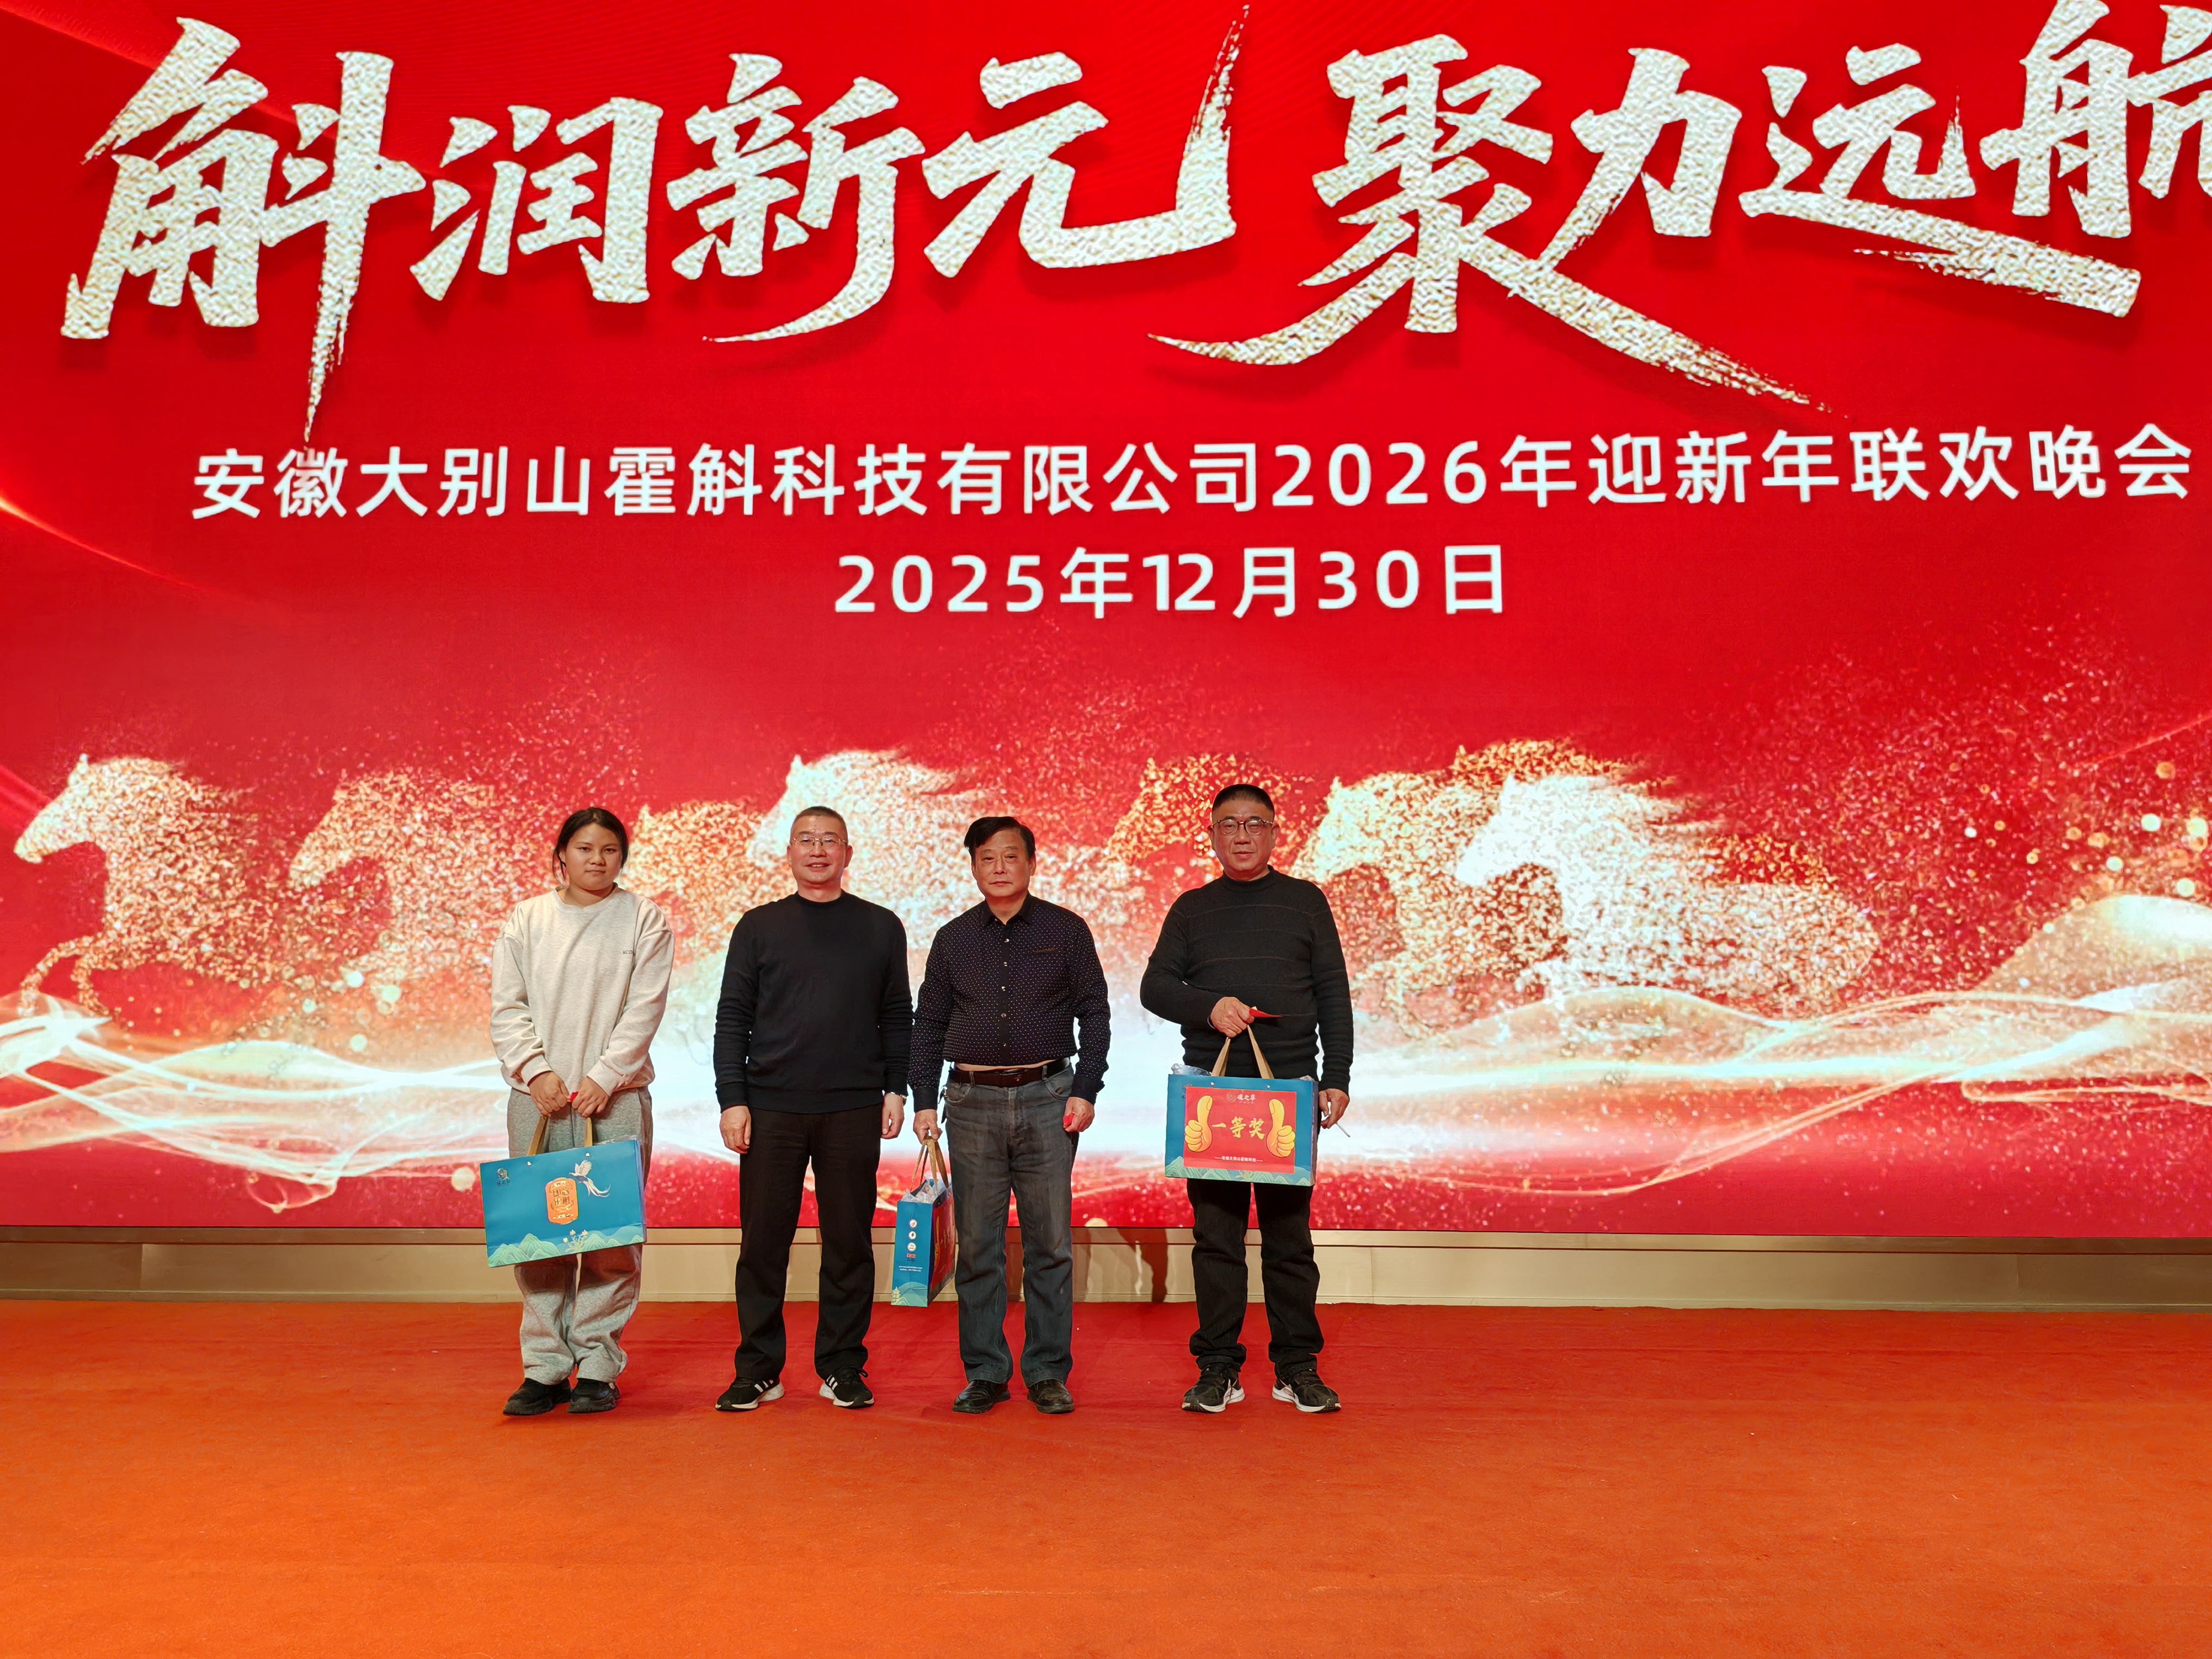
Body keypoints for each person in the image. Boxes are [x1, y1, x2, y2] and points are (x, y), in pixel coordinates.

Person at [1139, 783, 1353, 1415]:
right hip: (1212, 1100)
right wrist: (1209, 1006)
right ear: (1211, 834)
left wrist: (1336, 1076)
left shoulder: (1305, 902)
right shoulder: (1191, 909)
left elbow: (1333, 994)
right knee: (1217, 1239)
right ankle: (1217, 1368)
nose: (1240, 835)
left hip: (1288, 1097)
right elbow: (1154, 986)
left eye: (1253, 824)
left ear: (1273, 833)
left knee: (1289, 1239)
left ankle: (1296, 1368)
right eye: (1228, 824)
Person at [712, 806, 912, 1412]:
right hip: (770, 1107)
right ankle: (758, 1370)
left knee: (848, 1242)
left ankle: (842, 1365)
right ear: (790, 853)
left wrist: (896, 1088)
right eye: (806, 840)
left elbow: (896, 1015)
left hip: (853, 1107)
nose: (818, 850)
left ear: (848, 853)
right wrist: (732, 1100)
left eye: (830, 841)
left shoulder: (880, 926)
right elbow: (733, 1020)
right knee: (762, 1245)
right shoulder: (758, 926)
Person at [910, 816, 1110, 1416]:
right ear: (973, 866)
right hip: (970, 1103)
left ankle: (1047, 1372)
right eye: (987, 858)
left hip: (1049, 1097)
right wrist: (924, 1101)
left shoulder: (1065, 930)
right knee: (978, 1247)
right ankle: (986, 1372)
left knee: (1050, 1244)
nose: (999, 868)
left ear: (1031, 863)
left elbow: (1095, 1013)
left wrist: (1086, 1090)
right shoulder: (953, 939)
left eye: (1010, 857)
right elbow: (929, 1023)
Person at [489, 806, 673, 1417]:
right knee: (538, 1237)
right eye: (585, 848)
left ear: (622, 858)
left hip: (613, 1100)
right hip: (537, 1101)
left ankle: (596, 1363)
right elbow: (507, 1007)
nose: (598, 860)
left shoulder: (643, 919)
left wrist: (605, 1077)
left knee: (610, 1237)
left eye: (610, 850)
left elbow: (644, 1009)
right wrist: (536, 1071)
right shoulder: (527, 919)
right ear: (561, 856)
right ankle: (543, 1368)